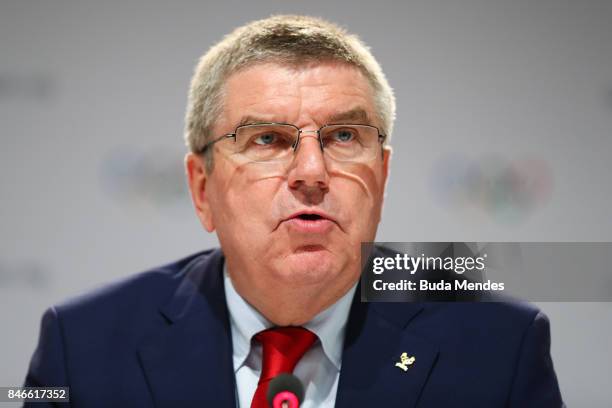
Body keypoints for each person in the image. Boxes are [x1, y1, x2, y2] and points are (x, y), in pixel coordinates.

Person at [24, 15, 563, 407]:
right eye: (267, 139)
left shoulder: (499, 346)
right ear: (201, 187)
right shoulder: (83, 348)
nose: (312, 171)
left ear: (383, 175)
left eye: (345, 135)